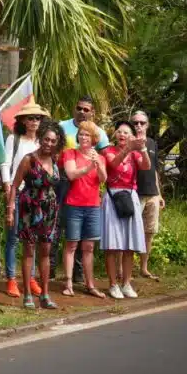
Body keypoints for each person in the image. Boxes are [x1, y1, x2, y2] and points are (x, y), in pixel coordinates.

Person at [7, 119, 65, 309]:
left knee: (46, 250)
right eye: (46, 139)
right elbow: (15, 185)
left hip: (49, 210)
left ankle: (45, 295)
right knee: (29, 249)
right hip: (29, 208)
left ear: (57, 142)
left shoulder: (55, 159)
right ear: (40, 139)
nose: (49, 143)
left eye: (53, 141)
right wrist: (10, 209)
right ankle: (27, 295)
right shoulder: (29, 159)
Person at [58, 96, 110, 286]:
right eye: (79, 108)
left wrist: (97, 163)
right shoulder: (65, 136)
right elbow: (70, 173)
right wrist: (88, 167)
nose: (82, 112)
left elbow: (103, 178)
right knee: (69, 239)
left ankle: (87, 281)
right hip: (66, 188)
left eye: (86, 109)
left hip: (92, 203)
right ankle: (66, 280)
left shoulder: (99, 144)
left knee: (88, 245)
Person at [100, 121, 150, 299]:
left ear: (131, 136)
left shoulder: (134, 153)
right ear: (114, 134)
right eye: (119, 131)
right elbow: (113, 164)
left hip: (130, 196)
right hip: (112, 196)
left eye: (126, 132)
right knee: (112, 245)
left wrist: (142, 148)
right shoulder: (107, 150)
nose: (122, 134)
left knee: (129, 245)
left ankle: (126, 283)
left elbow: (146, 166)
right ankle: (113, 284)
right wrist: (128, 148)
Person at [1, 102, 44, 298]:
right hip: (16, 192)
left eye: (38, 118)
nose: (34, 122)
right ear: (23, 121)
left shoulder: (42, 142)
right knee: (13, 238)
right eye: (31, 118)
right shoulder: (14, 139)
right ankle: (11, 278)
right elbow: (6, 163)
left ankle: (31, 278)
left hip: (36, 195)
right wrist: (7, 188)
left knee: (32, 238)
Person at [131, 110, 164, 281]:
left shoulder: (152, 143)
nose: (138, 126)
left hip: (152, 194)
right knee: (130, 232)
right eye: (135, 123)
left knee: (149, 232)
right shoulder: (128, 143)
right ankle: (124, 270)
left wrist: (159, 194)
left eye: (142, 123)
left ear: (147, 125)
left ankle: (144, 268)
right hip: (135, 193)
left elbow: (155, 170)